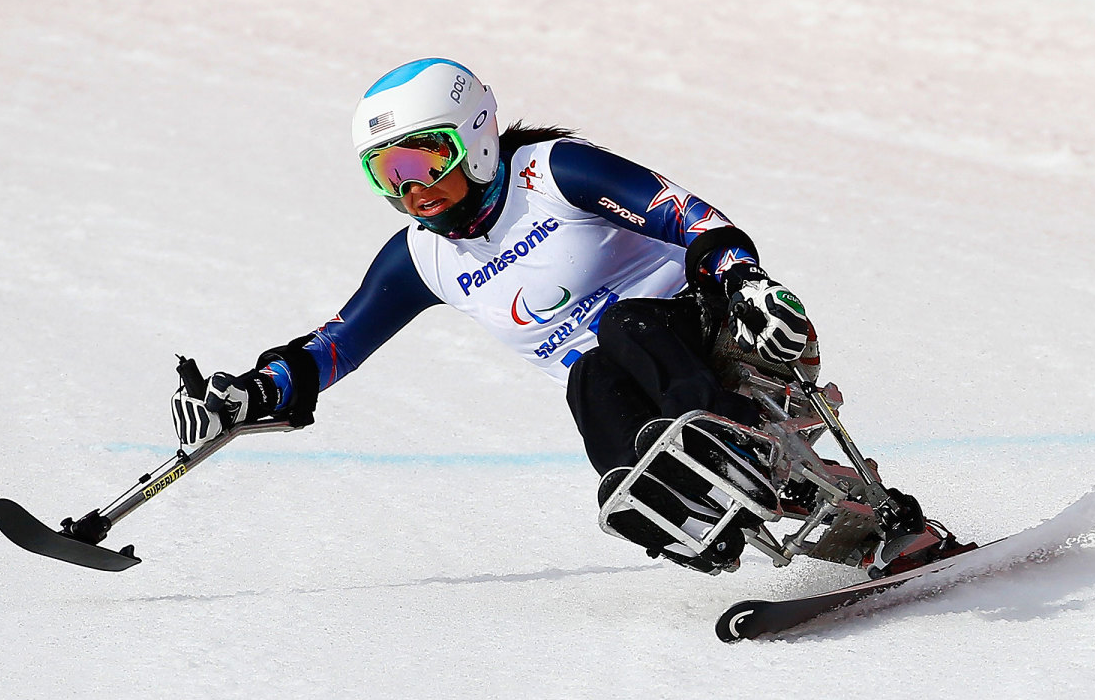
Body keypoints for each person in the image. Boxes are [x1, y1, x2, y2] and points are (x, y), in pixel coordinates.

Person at [171, 58, 815, 572]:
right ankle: (685, 511)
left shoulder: (552, 173)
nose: (411, 189)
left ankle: (732, 442)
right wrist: (255, 392)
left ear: (475, 141)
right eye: (386, 172)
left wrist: (742, 279)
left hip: (733, 339)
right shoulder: (422, 258)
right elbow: (336, 345)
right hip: (645, 392)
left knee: (622, 327)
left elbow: (690, 216)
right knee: (589, 379)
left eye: (424, 161)